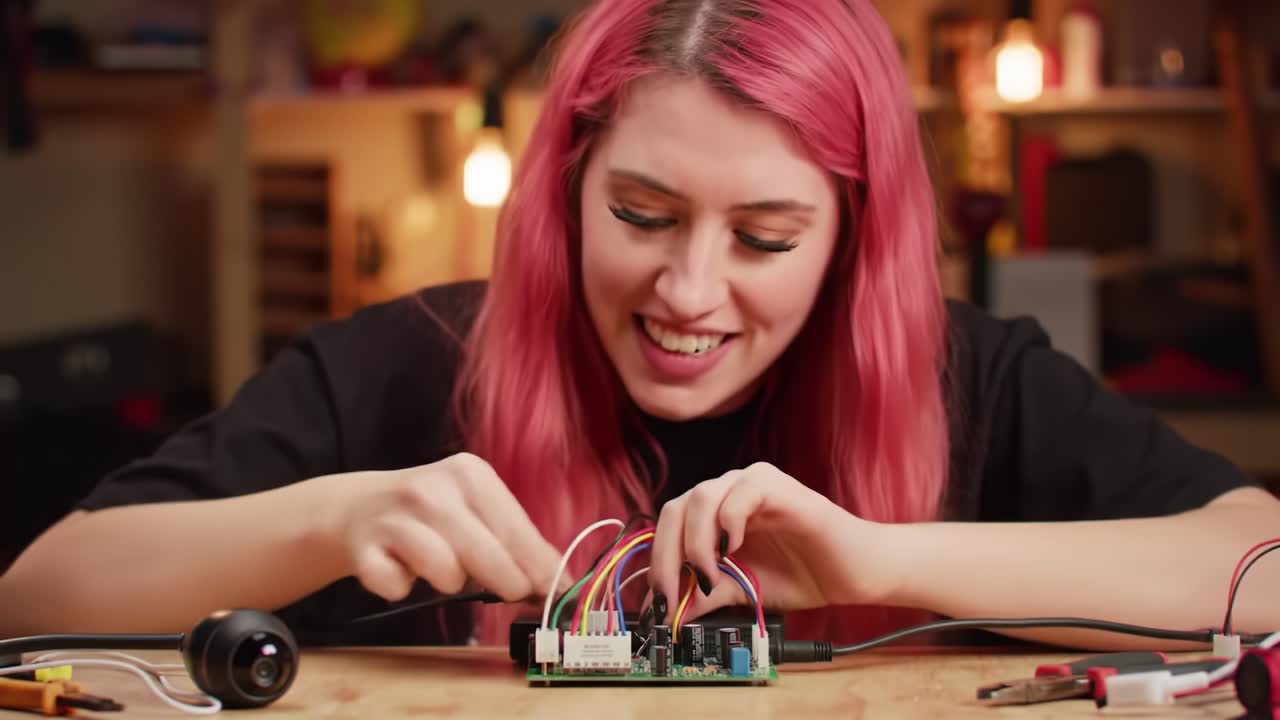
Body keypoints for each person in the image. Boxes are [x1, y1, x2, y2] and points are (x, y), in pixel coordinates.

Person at [2, 0, 1277, 651]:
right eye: (642, 212)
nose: (688, 292)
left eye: (766, 239)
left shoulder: (972, 375)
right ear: (566, 184)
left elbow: (1258, 567)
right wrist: (324, 520)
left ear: (851, 235)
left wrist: (884, 565)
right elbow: (30, 602)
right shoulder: (395, 364)